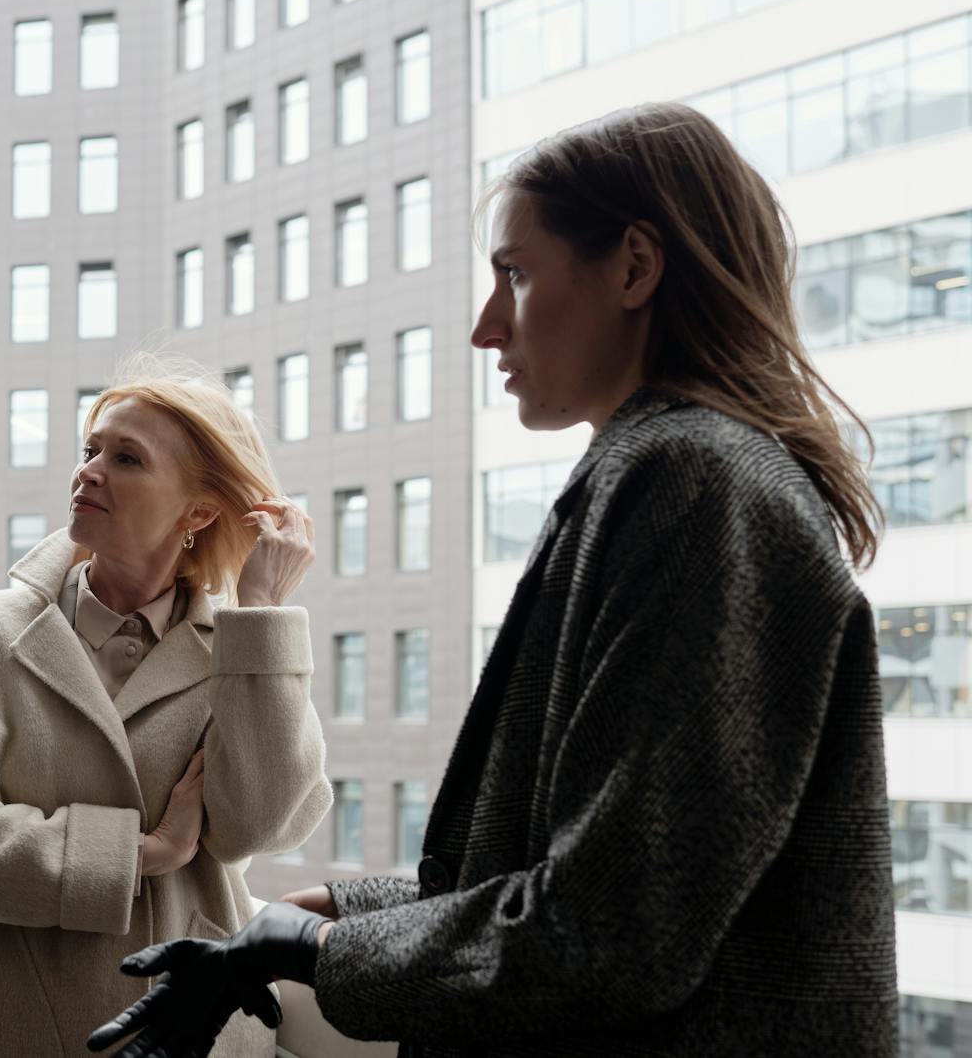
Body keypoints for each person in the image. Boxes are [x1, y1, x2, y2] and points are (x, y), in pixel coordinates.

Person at [90, 102, 897, 1057]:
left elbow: (609, 929)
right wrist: (334, 910)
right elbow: (558, 870)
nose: (483, 327)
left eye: (514, 274)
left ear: (635, 267)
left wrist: (313, 944)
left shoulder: (696, 484)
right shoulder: (662, 477)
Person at [0, 358, 333, 1057]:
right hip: (2, 1026)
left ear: (200, 511)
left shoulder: (242, 653)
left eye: (126, 458)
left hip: (197, 1032)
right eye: (90, 450)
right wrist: (139, 854)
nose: (88, 471)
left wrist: (264, 612)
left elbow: (259, 826)